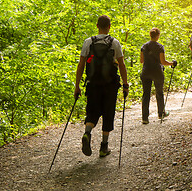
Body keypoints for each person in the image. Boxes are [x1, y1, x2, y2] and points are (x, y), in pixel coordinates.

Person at [74, 15, 129, 157]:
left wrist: (77, 86)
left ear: (97, 25)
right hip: (110, 85)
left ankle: (87, 133)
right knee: (108, 113)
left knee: (92, 111)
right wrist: (125, 84)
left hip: (93, 84)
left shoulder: (88, 42)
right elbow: (122, 65)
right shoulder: (114, 43)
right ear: (109, 27)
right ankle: (104, 147)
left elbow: (81, 66)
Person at [140, 28, 177, 124]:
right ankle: (161, 113)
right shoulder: (160, 47)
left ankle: (145, 118)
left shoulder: (144, 46)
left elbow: (141, 60)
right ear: (158, 36)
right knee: (159, 93)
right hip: (157, 72)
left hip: (146, 72)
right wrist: (172, 63)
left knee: (146, 94)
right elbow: (163, 62)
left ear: (150, 35)